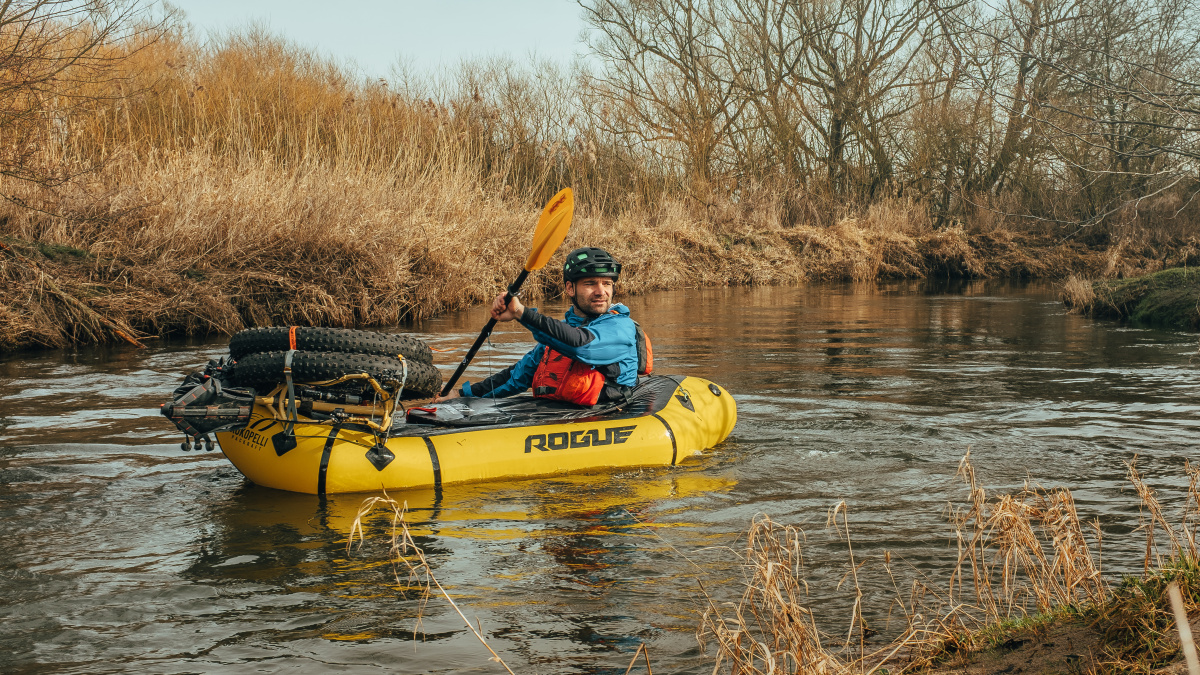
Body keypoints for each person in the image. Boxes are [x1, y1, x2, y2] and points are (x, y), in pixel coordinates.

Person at [433, 247, 641, 406]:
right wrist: (458, 395)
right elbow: (517, 377)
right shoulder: (560, 332)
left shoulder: (621, 327)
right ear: (570, 288)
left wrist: (521, 313)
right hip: (562, 415)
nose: (601, 291)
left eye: (607, 283)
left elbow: (581, 346)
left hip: (611, 413)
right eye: (590, 283)